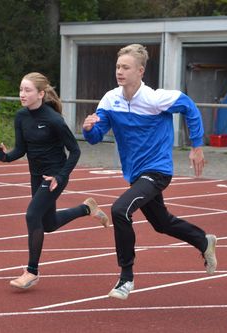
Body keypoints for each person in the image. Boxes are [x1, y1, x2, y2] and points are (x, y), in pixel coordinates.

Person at [82, 44, 217, 300]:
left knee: (120, 209)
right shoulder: (110, 99)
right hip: (135, 173)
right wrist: (89, 127)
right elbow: (95, 138)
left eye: (126, 67)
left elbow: (189, 106)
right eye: (118, 67)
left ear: (140, 71)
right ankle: (203, 241)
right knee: (161, 223)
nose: (119, 71)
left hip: (157, 170)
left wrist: (197, 146)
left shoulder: (156, 99)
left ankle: (126, 278)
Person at [0, 72, 109, 289]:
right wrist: (4, 157)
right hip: (36, 176)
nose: (22, 94)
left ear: (41, 94)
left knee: (32, 215)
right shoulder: (21, 117)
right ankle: (86, 209)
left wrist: (60, 176)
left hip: (54, 176)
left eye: (27, 90)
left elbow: (74, 151)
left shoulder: (54, 120)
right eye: (20, 90)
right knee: (49, 224)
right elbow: (21, 150)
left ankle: (32, 272)